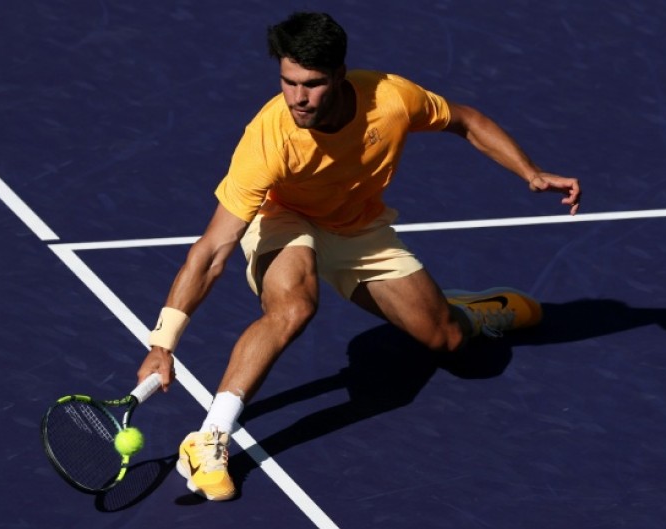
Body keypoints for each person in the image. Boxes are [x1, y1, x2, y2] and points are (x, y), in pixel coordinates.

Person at [136, 11, 581, 501]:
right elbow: (212, 250)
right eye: (288, 82)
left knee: (448, 341)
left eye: (313, 84)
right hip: (284, 218)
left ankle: (468, 314)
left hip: (357, 226)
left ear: (340, 74)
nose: (298, 98)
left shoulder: (391, 99)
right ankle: (210, 438)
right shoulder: (268, 139)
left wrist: (530, 172)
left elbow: (465, 120)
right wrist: (164, 343)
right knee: (294, 305)